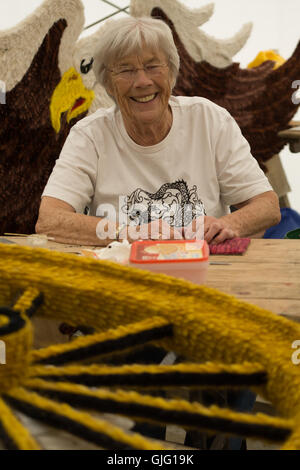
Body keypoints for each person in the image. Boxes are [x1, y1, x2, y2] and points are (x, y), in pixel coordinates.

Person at [36, 16, 280, 245]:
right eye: (126, 70)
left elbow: (267, 207)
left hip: (204, 271)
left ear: (171, 72)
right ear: (107, 82)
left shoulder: (209, 120)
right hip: (122, 276)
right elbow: (50, 220)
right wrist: (129, 233)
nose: (142, 81)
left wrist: (227, 225)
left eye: (153, 66)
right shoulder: (90, 135)